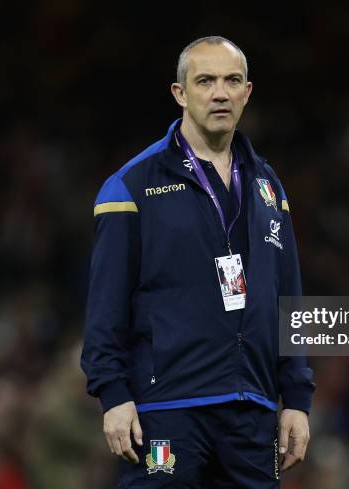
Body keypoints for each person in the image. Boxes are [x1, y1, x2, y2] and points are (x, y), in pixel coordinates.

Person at [81, 36, 315, 488]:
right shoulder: (130, 187)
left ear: (248, 92)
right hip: (165, 410)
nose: (220, 93)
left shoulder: (269, 187)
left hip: (253, 410)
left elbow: (289, 298)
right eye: (205, 81)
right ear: (180, 93)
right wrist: (112, 396)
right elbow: (104, 305)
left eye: (232, 81)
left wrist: (297, 398)